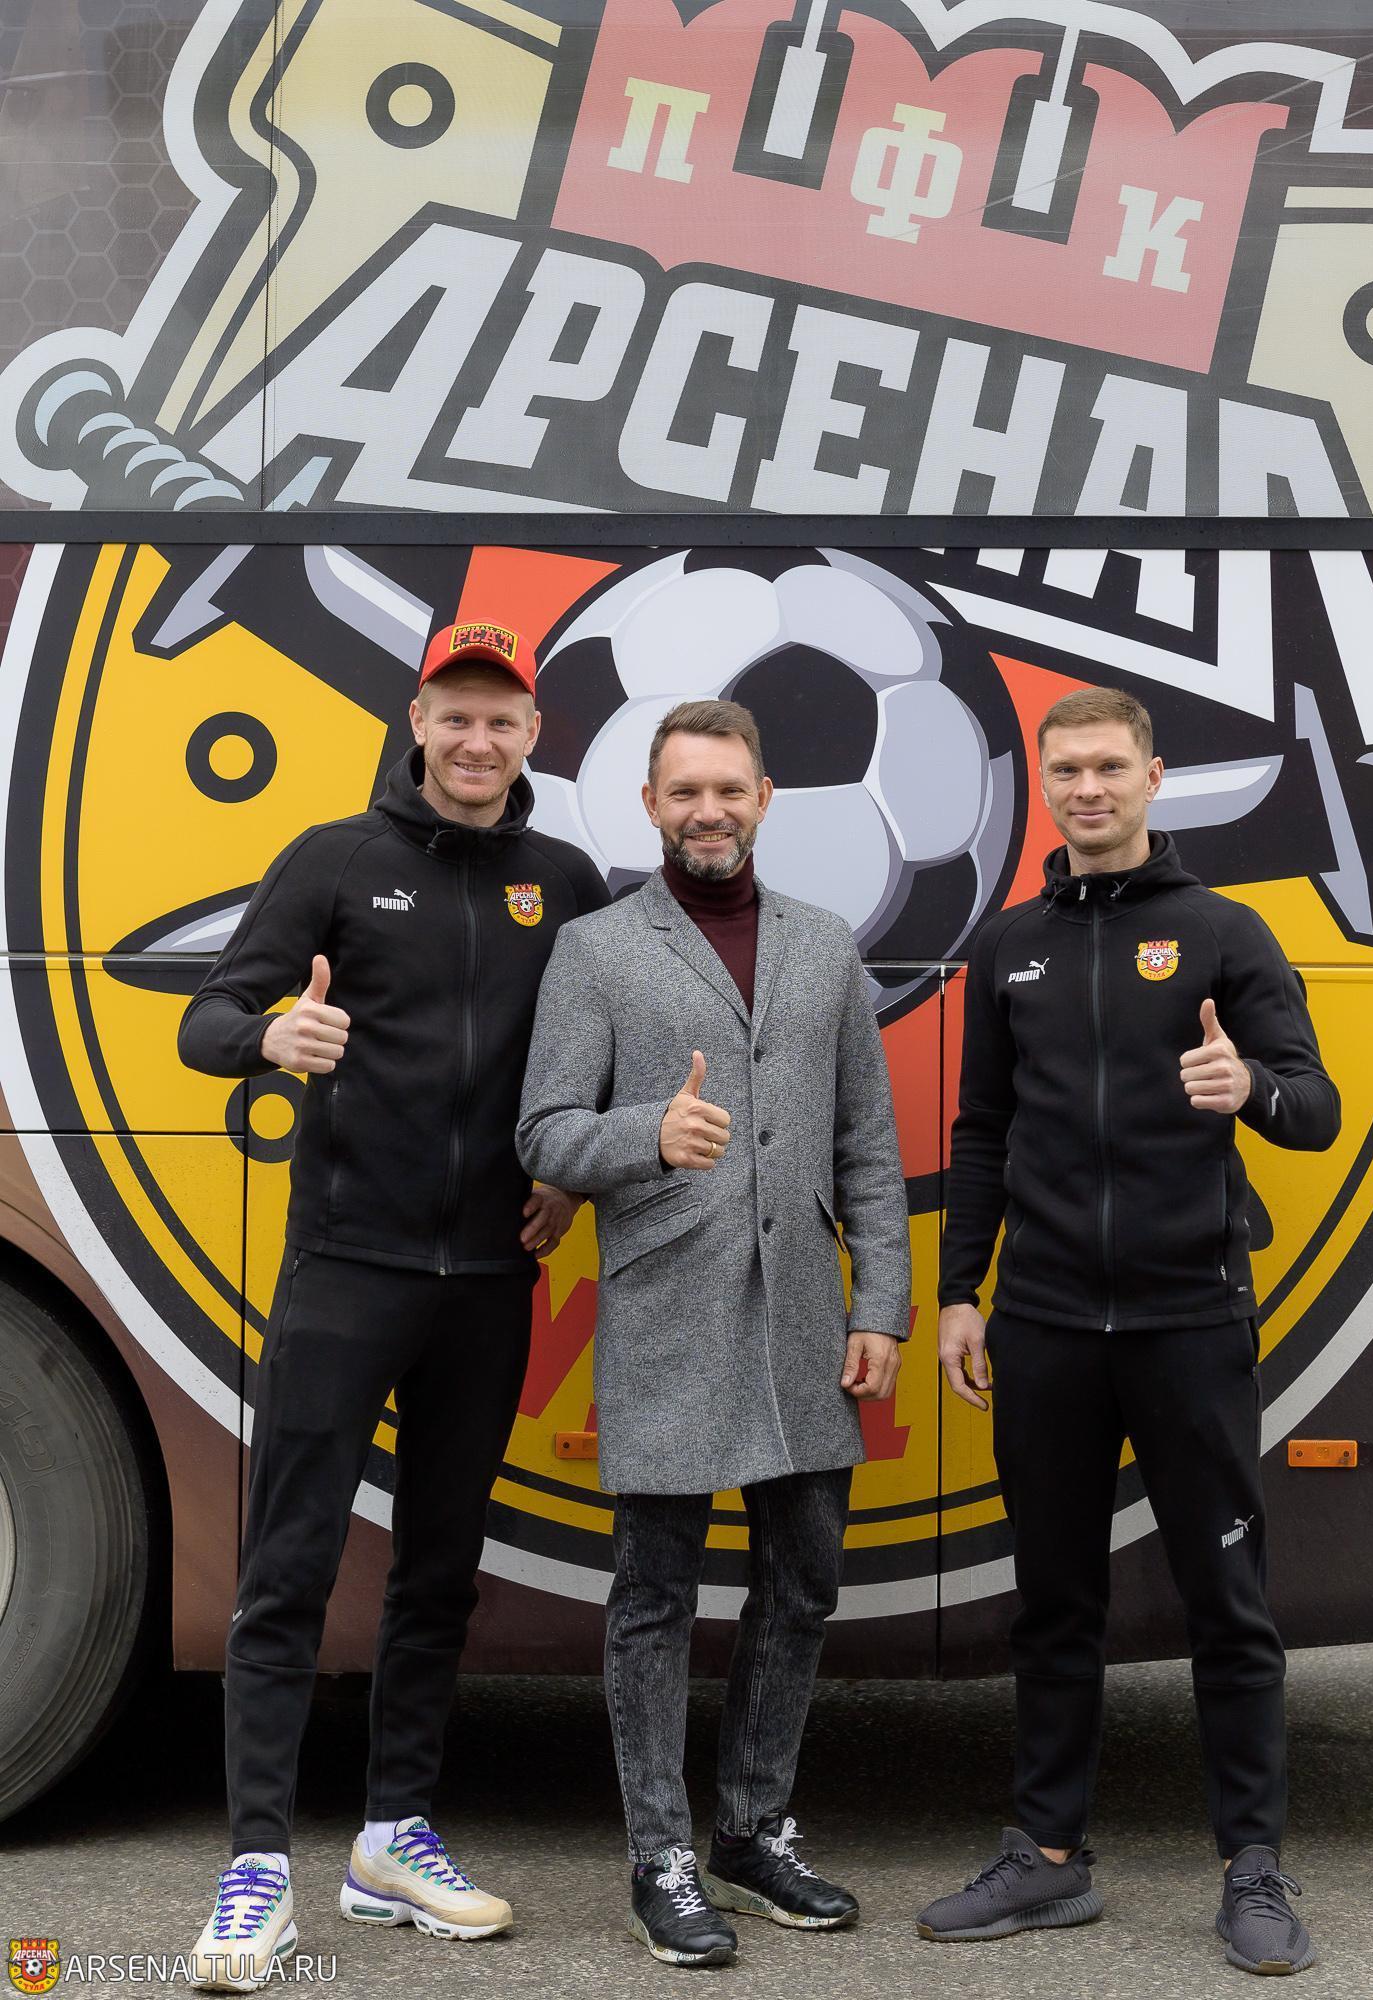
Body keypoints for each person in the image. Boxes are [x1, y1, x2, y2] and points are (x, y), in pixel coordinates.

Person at [178, 617, 608, 1991]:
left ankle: (392, 1837)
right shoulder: (333, 859)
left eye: (503, 719)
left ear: (533, 735)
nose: (478, 740)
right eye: (456, 714)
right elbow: (204, 1019)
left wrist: (570, 1173)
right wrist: (269, 1034)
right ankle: (256, 1870)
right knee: (288, 1568)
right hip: (347, 1270)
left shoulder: (564, 880)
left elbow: (600, 1052)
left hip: (489, 1279)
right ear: (418, 722)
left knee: (438, 1569)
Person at [916, 687, 1339, 1977]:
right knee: (1056, 1601)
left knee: (1228, 1600)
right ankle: (1047, 1854)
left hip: (1188, 1316)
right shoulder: (1010, 944)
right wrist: (961, 1289)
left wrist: (1248, 1084)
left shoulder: (1224, 931)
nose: (1088, 789)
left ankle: (1252, 1867)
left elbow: (1316, 1106)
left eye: (1110, 766)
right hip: (1046, 1322)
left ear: (1155, 776)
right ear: (1044, 784)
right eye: (1068, 771)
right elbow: (982, 1130)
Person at [517, 698, 912, 1968]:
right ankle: (663, 1857)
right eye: (684, 790)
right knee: (655, 1595)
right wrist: (649, 1132)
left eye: (729, 788)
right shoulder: (594, 950)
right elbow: (542, 1130)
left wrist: (881, 1304)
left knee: (803, 1580)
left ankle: (750, 1831)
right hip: (668, 1313)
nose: (708, 811)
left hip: (803, 1316)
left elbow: (868, 1143)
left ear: (764, 798)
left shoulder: (824, 943)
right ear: (650, 804)